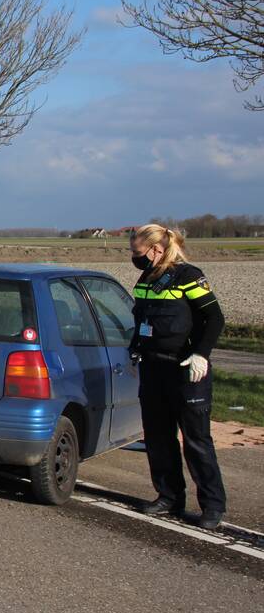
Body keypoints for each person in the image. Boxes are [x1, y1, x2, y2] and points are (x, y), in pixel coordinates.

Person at [129, 223, 226, 530]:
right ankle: (169, 496)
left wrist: (201, 353)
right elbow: (142, 317)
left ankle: (212, 506)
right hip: (153, 366)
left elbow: (214, 318)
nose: (134, 256)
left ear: (156, 249)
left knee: (196, 441)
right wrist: (136, 347)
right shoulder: (147, 277)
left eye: (137, 251)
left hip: (185, 368)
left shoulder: (189, 276)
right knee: (158, 437)